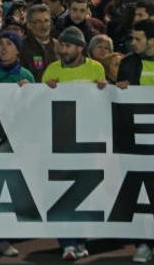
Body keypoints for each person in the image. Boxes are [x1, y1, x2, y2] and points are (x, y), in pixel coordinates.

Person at [42, 26, 106, 261]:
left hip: (87, 141)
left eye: (67, 46)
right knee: (62, 191)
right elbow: (40, 103)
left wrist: (103, 88)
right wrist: (44, 90)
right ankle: (66, 243)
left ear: (80, 48)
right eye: (61, 45)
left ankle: (80, 240)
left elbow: (103, 102)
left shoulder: (96, 68)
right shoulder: (51, 69)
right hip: (60, 140)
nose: (62, 50)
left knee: (83, 192)